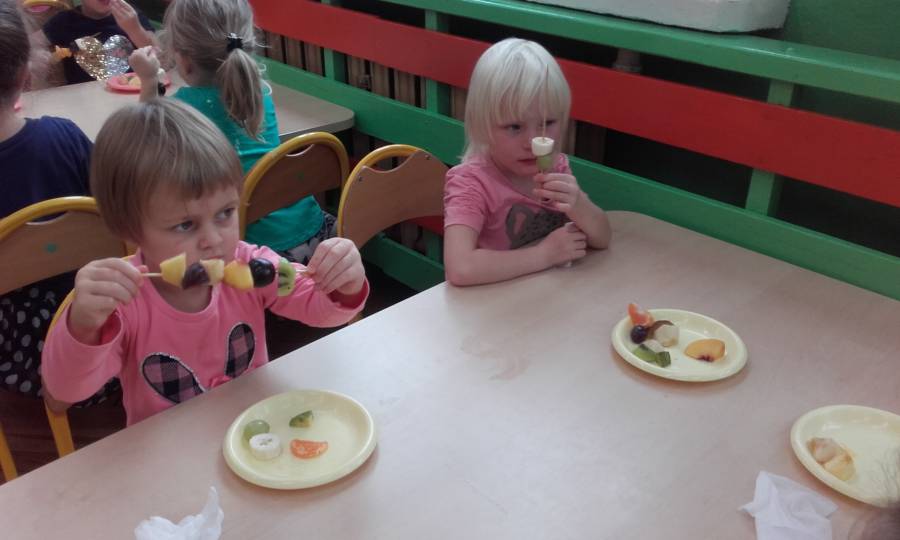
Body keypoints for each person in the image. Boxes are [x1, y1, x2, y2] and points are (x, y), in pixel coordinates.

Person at [42, 99, 368, 425]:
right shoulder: (124, 304)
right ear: (129, 229)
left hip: (254, 432)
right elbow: (63, 392)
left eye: (225, 213)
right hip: (169, 447)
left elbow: (318, 307)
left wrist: (343, 283)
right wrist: (84, 326)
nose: (213, 240)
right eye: (185, 225)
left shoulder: (252, 265)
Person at [129, 0, 333, 266]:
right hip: (317, 234)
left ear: (184, 62)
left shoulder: (180, 111)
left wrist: (148, 81)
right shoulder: (258, 93)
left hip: (258, 257)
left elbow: (138, 145)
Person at [0, 0, 120, 404]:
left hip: (15, 350)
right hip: (101, 321)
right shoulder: (64, 136)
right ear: (26, 76)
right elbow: (117, 210)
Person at [443, 38, 611, 286]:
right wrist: (544, 255)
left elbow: (603, 238)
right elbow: (460, 268)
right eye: (514, 127)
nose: (533, 142)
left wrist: (579, 204)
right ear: (482, 126)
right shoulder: (471, 183)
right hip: (490, 302)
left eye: (547, 123)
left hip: (545, 295)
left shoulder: (556, 167)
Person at [42, 0, 156, 85]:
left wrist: (135, 29)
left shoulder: (130, 14)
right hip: (81, 97)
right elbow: (33, 44)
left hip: (128, 92)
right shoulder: (63, 21)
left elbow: (157, 54)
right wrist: (39, 54)